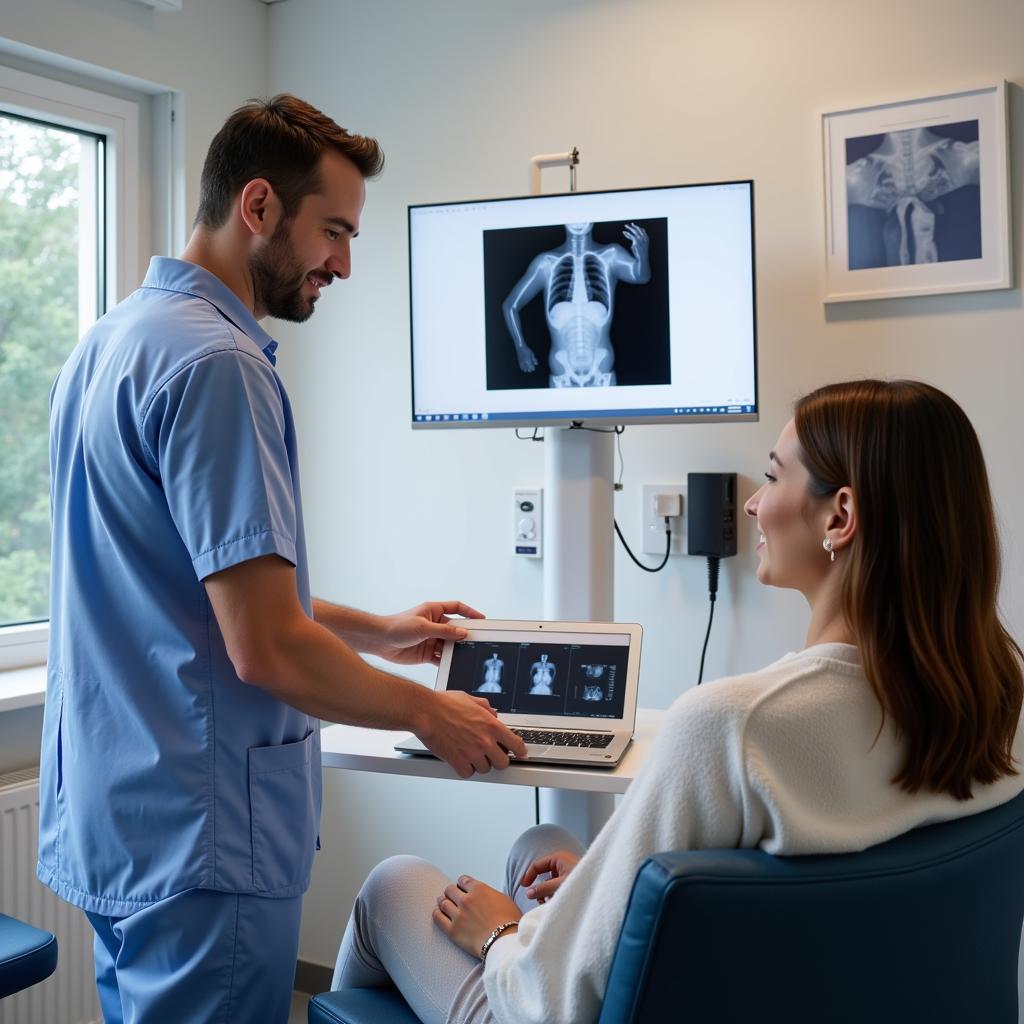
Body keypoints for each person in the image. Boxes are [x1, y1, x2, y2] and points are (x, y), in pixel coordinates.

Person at [39, 94, 526, 1024]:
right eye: (334, 231)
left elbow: (183, 587)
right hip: (202, 837)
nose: (343, 262)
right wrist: (436, 713)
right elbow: (263, 648)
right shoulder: (218, 364)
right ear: (258, 206)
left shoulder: (106, 346)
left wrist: (377, 631)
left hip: (118, 818)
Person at [330, 379, 1024, 1024]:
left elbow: (551, 996)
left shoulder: (735, 723)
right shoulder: (985, 694)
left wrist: (499, 935)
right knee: (543, 846)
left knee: (395, 885)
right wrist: (611, 893)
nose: (753, 502)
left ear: (840, 515)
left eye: (775, 477)